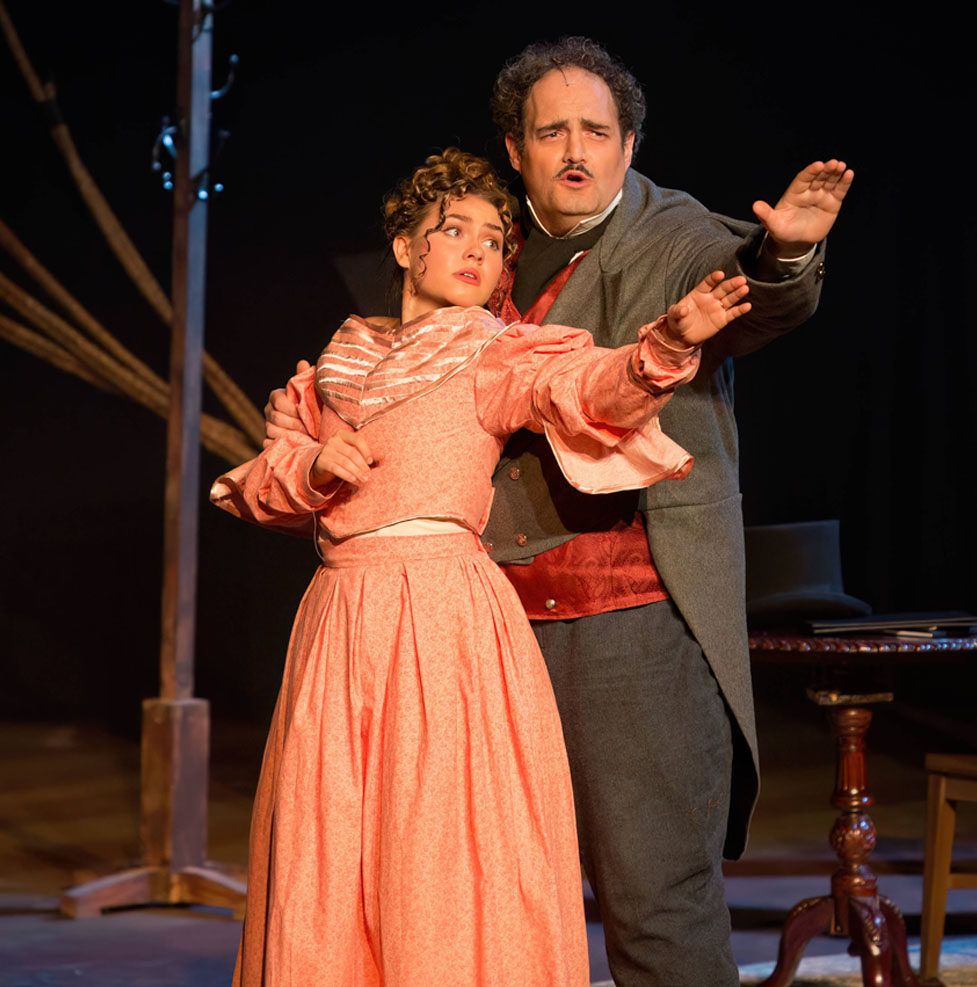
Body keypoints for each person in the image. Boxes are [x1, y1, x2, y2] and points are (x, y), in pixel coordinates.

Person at [267, 39, 853, 986]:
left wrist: (785, 250)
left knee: (654, 897)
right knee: (470, 895)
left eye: (597, 129)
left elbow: (752, 292)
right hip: (478, 628)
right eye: (552, 131)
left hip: (628, 623)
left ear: (629, 145)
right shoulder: (482, 245)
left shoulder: (672, 236)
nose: (575, 148)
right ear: (515, 147)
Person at [215, 147, 752, 986]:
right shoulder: (333, 367)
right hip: (340, 620)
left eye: (496, 239)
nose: (478, 251)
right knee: (333, 839)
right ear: (404, 247)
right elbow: (257, 487)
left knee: (438, 845)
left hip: (443, 620)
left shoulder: (492, 352)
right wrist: (313, 467)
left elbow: (585, 389)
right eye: (453, 230)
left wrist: (663, 346)